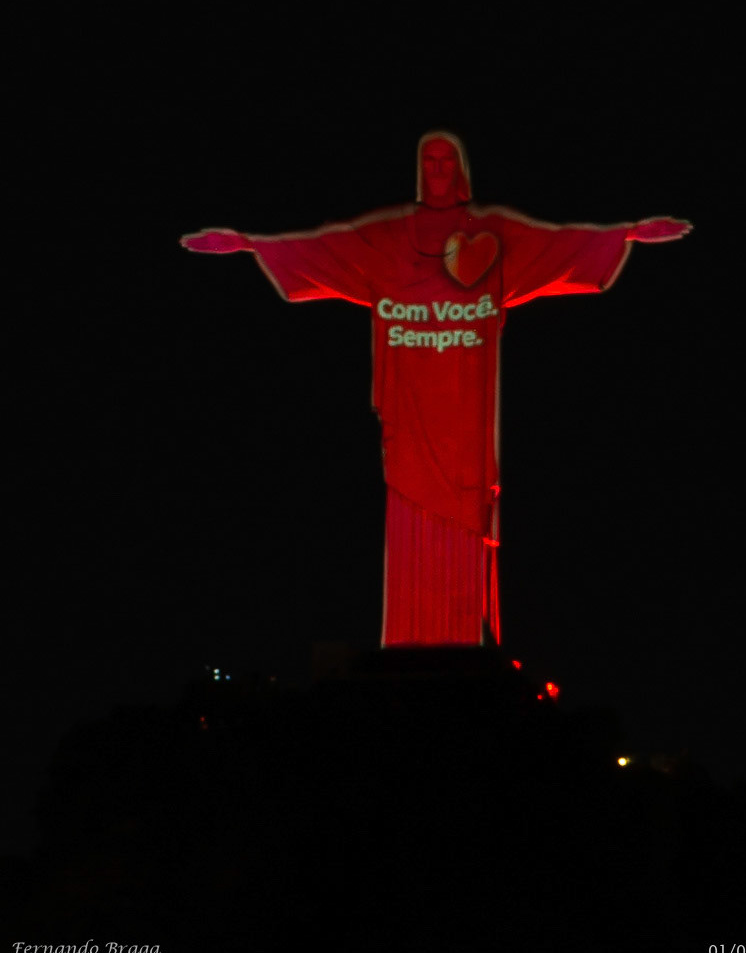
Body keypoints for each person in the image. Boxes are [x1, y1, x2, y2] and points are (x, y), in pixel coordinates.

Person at [181, 131, 691, 646]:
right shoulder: (389, 239)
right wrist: (250, 244)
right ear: (420, 169)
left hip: (465, 419)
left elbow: (557, 245)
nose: (439, 170)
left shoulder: (492, 235)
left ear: (461, 169)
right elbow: (328, 249)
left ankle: (464, 640)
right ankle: (409, 643)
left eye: (448, 161)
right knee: (410, 518)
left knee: (463, 522)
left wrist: (626, 235)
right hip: (410, 408)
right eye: (431, 160)